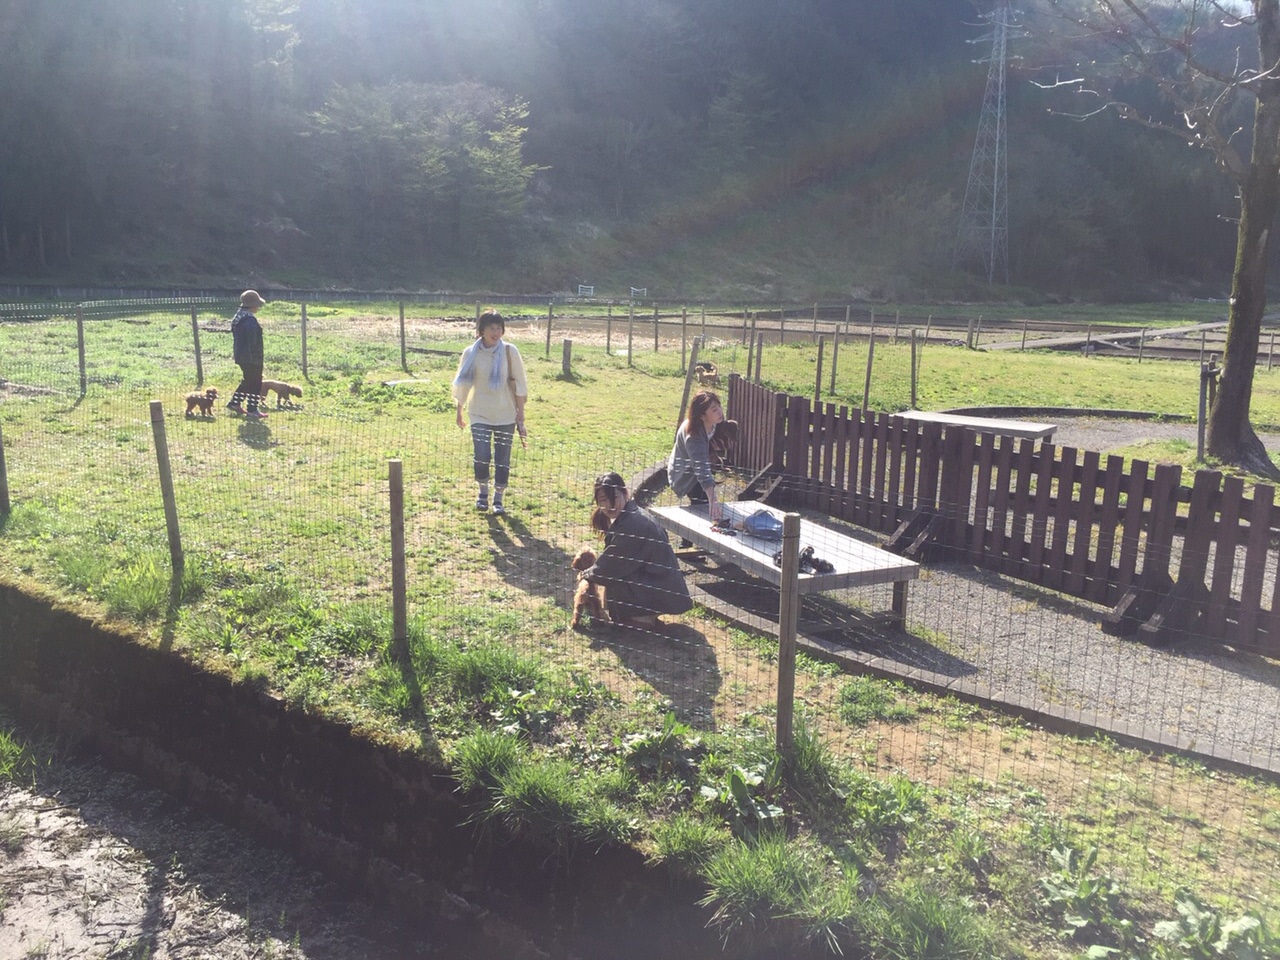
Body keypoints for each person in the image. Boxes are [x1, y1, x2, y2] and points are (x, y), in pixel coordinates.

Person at [582, 472, 692, 628]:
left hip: (658, 586)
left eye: (614, 498)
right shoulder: (631, 515)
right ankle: (643, 615)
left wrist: (586, 575)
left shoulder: (634, 524)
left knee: (614, 574)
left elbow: (611, 565)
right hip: (658, 582)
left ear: (626, 493)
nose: (610, 505)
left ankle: (643, 617)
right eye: (604, 500)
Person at [452, 309, 528, 515]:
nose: (496, 332)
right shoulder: (471, 353)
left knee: (503, 457)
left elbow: (520, 383)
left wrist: (520, 414)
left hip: (506, 413)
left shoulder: (510, 352)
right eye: (491, 328)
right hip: (479, 413)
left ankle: (499, 499)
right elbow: (464, 383)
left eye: (499, 328)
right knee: (482, 454)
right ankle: (483, 493)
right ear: (481, 331)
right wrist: (460, 410)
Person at [668, 389, 725, 522]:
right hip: (686, 473)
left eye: (719, 407)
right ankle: (688, 540)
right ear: (702, 416)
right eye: (714, 410)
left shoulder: (715, 421)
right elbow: (701, 469)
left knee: (704, 507)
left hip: (700, 467)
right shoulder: (693, 435)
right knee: (701, 507)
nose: (720, 412)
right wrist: (713, 500)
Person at [228, 289, 267, 419]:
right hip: (251, 357)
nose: (259, 307)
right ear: (252, 305)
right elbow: (253, 341)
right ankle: (252, 409)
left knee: (248, 381)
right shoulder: (250, 321)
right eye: (257, 304)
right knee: (256, 383)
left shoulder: (239, 317)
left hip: (241, 355)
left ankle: (235, 403)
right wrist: (256, 357)